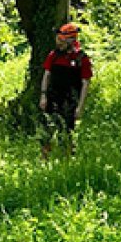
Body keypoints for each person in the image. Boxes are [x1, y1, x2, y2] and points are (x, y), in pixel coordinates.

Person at [39, 23, 93, 159]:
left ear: (71, 40)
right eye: (58, 40)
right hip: (53, 98)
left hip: (70, 101)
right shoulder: (54, 55)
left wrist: (80, 107)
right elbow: (46, 75)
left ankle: (67, 159)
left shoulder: (82, 59)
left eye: (62, 41)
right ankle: (44, 159)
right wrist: (43, 96)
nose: (59, 43)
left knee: (68, 132)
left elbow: (85, 83)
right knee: (47, 131)